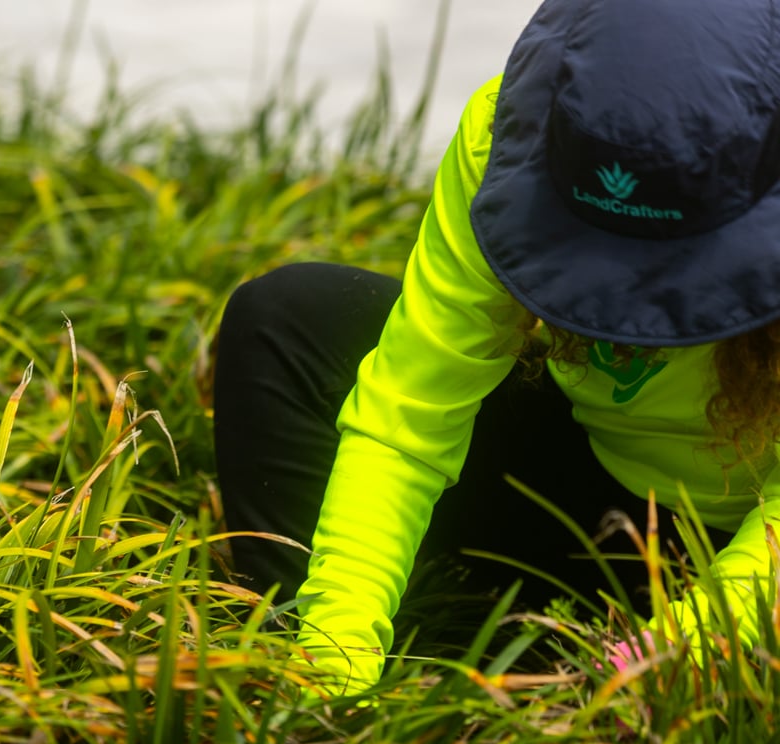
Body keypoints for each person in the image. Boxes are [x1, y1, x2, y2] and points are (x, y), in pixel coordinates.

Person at [213, 0, 780, 692]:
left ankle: (568, 657)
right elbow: (409, 412)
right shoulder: (509, 128)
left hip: (744, 546)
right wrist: (333, 666)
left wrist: (668, 661)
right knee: (287, 318)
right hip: (584, 495)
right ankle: (313, 658)